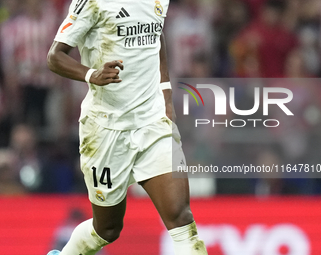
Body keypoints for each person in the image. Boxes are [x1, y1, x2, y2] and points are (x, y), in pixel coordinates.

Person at [46, 0, 207, 254]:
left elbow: (156, 34)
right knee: (107, 230)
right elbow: (54, 57)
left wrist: (165, 93)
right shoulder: (92, 3)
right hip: (105, 130)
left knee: (181, 218)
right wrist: (92, 75)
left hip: (152, 123)